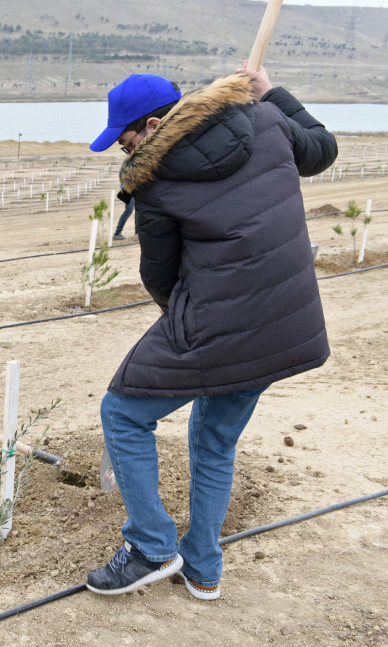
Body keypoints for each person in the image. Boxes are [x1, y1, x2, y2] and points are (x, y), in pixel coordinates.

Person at [84, 64, 337, 600]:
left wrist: (183, 327)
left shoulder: (153, 183)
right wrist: (274, 94)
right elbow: (323, 148)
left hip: (220, 321)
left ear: (153, 125)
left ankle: (151, 547)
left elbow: (160, 274)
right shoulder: (267, 120)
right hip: (287, 323)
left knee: (122, 414)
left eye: (125, 139)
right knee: (215, 440)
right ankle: (202, 567)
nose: (122, 150)